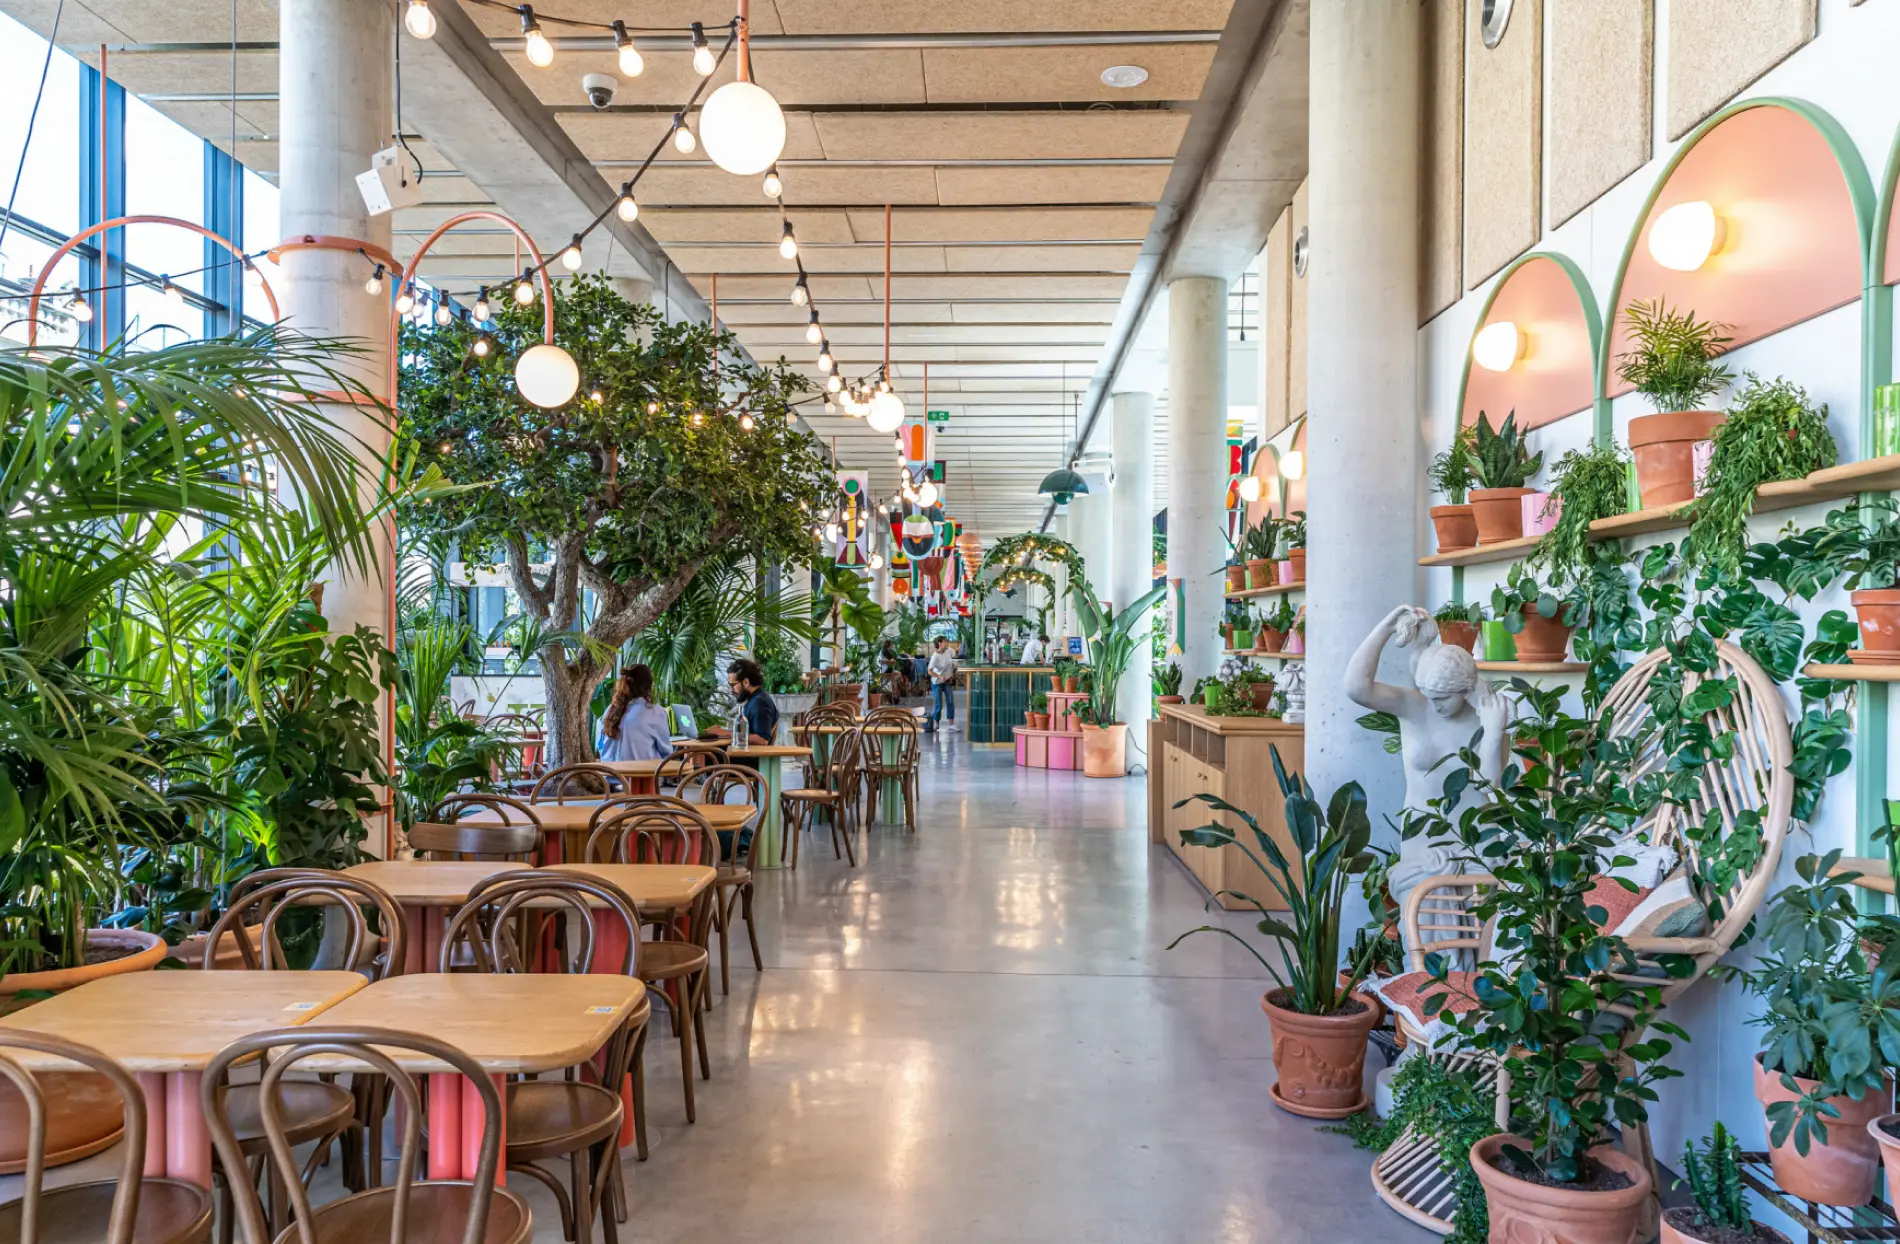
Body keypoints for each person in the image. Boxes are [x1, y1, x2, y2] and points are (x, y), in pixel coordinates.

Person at [597, 664, 673, 762]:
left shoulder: (610, 710)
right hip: (641, 775)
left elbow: (600, 745)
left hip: (609, 775)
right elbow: (666, 753)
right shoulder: (656, 712)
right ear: (649, 686)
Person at [712, 657, 780, 748]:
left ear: (746, 682)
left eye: (733, 685)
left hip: (747, 757)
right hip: (741, 751)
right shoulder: (754, 699)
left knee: (702, 753)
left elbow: (762, 739)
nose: (731, 690)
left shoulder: (760, 703)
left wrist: (728, 734)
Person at [926, 637, 958, 732]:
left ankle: (951, 724)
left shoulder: (949, 651)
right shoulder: (935, 657)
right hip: (937, 682)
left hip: (947, 681)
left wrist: (952, 671)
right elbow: (929, 671)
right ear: (939, 643)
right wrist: (939, 677)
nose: (947, 643)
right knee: (939, 704)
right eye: (945, 641)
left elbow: (955, 657)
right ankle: (936, 723)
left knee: (950, 702)